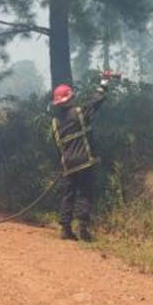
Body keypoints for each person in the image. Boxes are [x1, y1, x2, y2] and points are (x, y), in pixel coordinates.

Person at [51, 71, 116, 242]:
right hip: (84, 161)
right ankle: (83, 229)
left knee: (68, 194)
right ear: (70, 98)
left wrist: (62, 165)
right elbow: (96, 101)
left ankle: (65, 229)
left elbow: (58, 146)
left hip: (67, 164)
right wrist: (103, 83)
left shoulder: (55, 122)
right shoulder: (79, 113)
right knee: (85, 194)